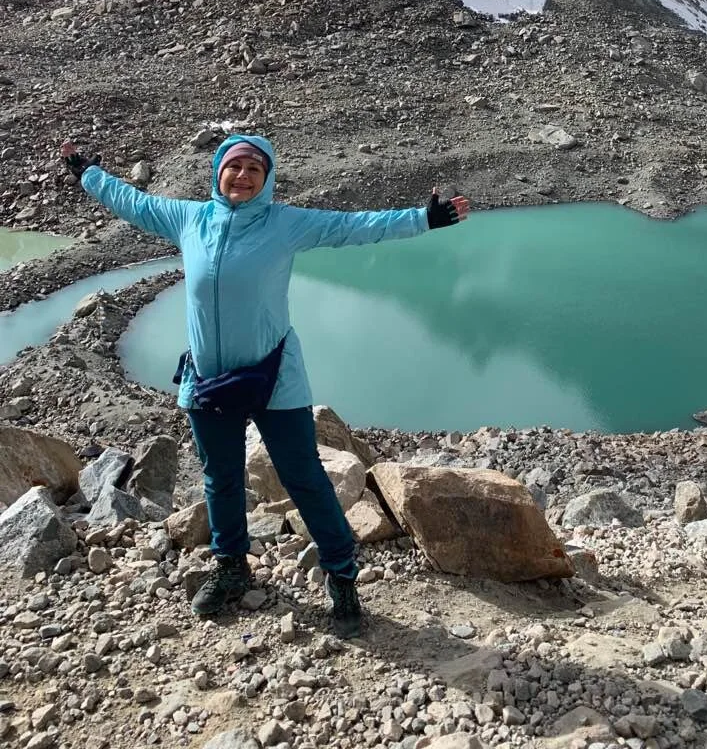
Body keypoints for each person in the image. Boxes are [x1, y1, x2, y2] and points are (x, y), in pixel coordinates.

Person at [61, 134, 469, 635]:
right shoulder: (189, 218)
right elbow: (134, 201)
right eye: (234, 166)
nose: (243, 175)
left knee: (304, 477)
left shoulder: (286, 224)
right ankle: (231, 567)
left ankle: (341, 575)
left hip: (275, 378)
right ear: (218, 173)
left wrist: (423, 218)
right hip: (210, 382)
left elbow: (354, 227)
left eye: (255, 168)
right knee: (221, 479)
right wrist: (89, 175)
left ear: (268, 178)